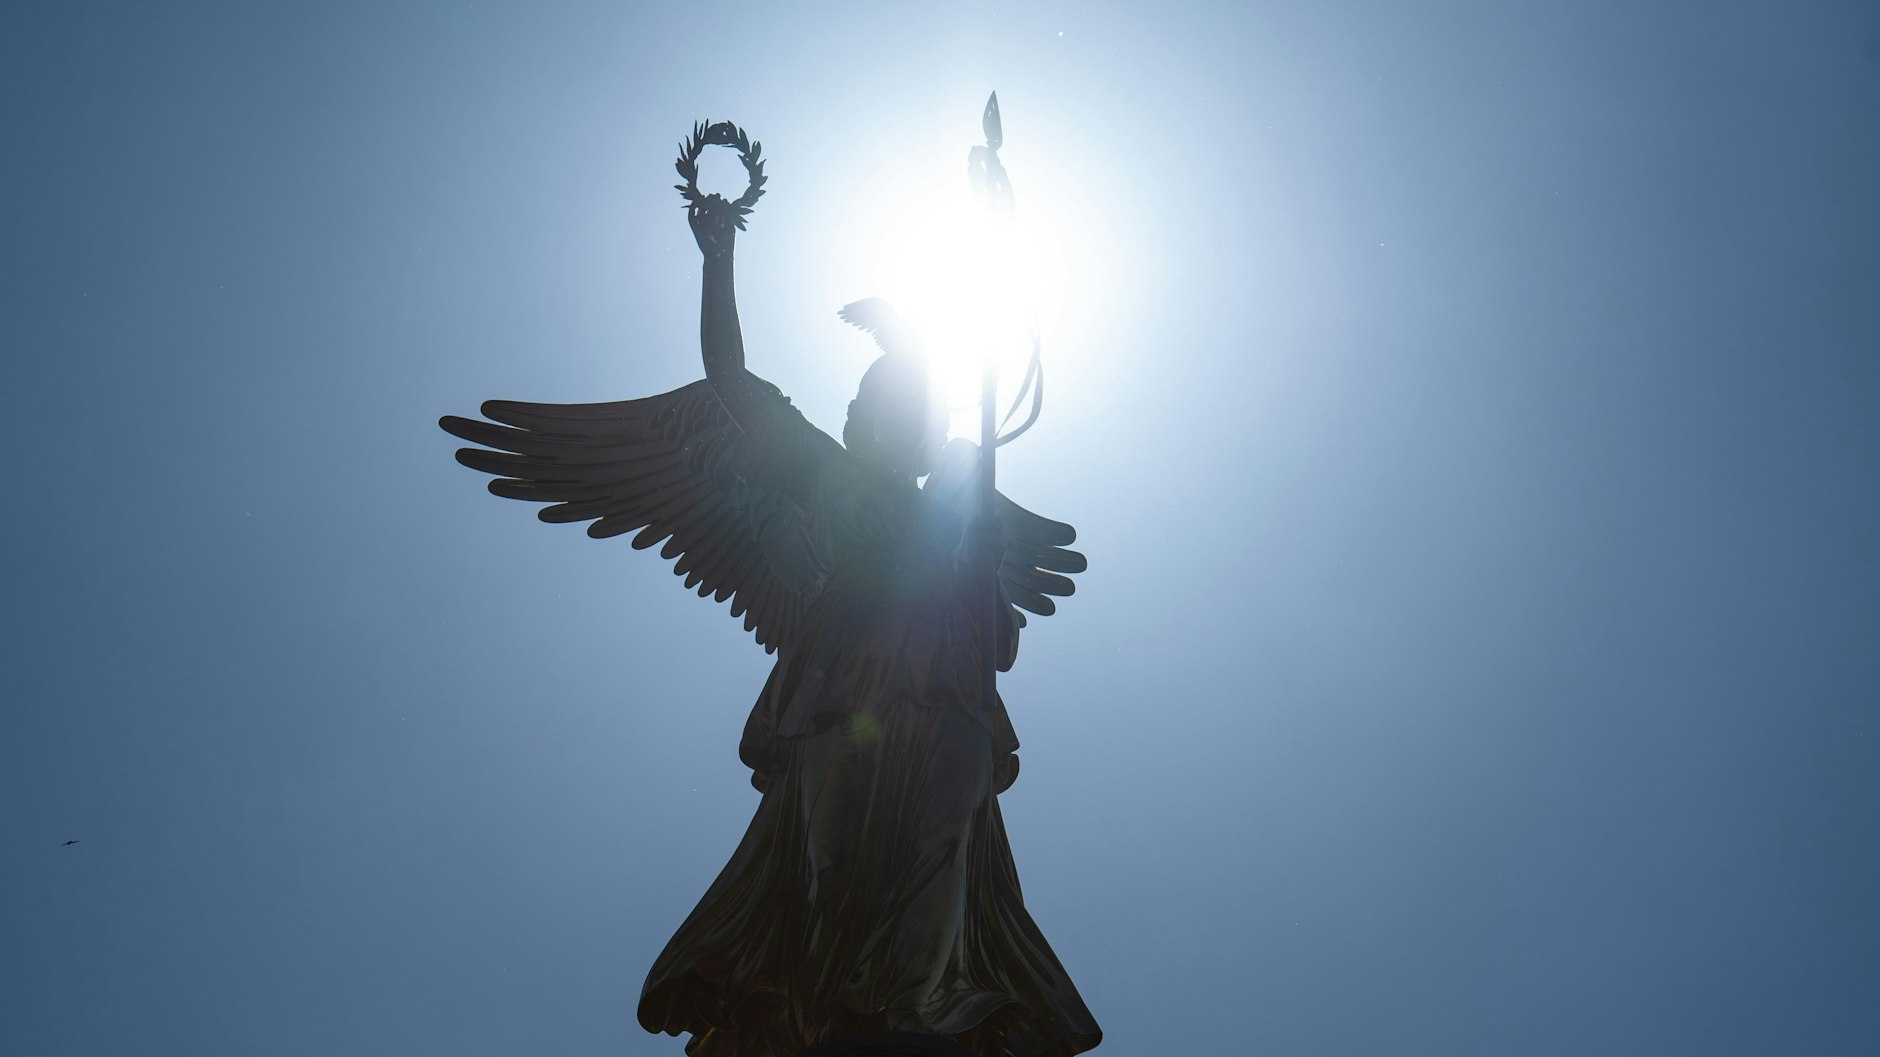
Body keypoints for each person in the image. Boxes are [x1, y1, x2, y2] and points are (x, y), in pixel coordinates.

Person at [442, 188, 1098, 1057]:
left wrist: (973, 524)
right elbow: (726, 384)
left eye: (910, 411)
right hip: (841, 689)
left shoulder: (959, 505)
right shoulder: (815, 470)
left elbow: (994, 624)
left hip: (944, 699)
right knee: (831, 866)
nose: (890, 422)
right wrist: (720, 259)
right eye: (877, 407)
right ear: (857, 422)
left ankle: (912, 1013)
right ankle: (825, 1014)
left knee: (939, 858)